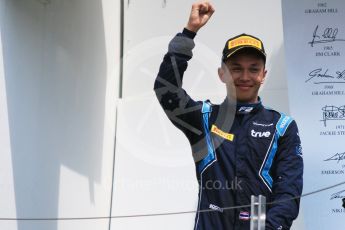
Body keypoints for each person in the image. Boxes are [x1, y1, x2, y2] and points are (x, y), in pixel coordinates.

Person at [153, 1, 303, 230]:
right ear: (222, 74)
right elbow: (167, 91)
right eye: (235, 68)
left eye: (253, 69)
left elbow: (289, 192)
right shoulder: (204, 118)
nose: (245, 76)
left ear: (263, 75)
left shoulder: (282, 126)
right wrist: (189, 32)